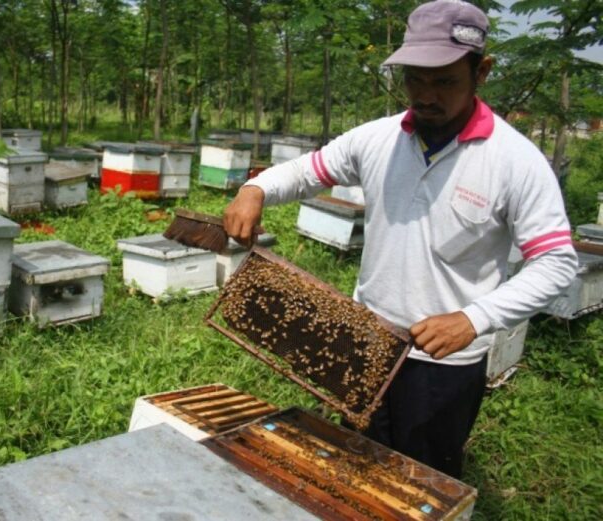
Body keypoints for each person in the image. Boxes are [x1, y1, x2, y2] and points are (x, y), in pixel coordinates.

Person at [223, 0, 578, 479]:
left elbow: (557, 262)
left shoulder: (515, 160)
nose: (426, 94)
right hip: (363, 338)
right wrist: (256, 188)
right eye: (415, 79)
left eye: (445, 80)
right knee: (353, 463)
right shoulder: (379, 138)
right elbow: (309, 171)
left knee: (419, 480)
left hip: (443, 362)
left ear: (483, 71)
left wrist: (474, 319)